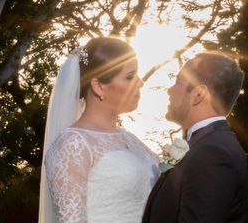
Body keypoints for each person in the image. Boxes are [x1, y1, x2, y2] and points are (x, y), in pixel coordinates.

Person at [39, 37, 159, 223]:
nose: (140, 83)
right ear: (99, 86)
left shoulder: (131, 140)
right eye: (130, 77)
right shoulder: (73, 144)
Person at [142, 52, 248, 222]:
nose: (169, 89)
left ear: (199, 94)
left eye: (178, 82)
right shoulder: (205, 144)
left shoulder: (212, 153)